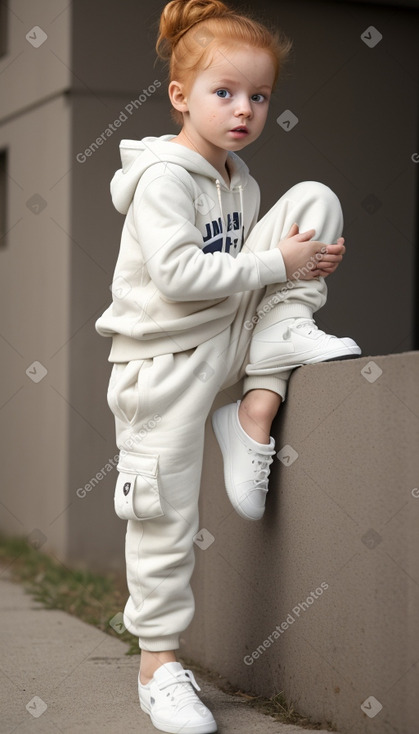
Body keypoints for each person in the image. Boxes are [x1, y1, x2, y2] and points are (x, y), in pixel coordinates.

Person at [95, 0, 361, 731]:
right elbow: (180, 275)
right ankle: (158, 665)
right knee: (164, 520)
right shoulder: (163, 179)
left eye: (259, 95)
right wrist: (278, 262)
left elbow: (247, 266)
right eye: (225, 92)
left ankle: (253, 410)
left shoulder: (238, 180)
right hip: (165, 365)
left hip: (230, 336)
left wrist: (301, 266)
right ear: (180, 96)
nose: (244, 109)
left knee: (314, 200)